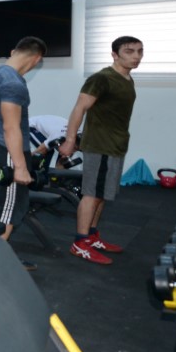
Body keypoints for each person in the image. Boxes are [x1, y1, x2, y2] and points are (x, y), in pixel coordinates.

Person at [60, 36, 144, 265]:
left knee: (102, 194)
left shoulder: (127, 79)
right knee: (92, 194)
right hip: (100, 145)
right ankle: (80, 243)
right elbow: (80, 108)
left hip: (115, 145)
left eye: (139, 51)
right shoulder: (101, 78)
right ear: (115, 55)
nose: (136, 56)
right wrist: (70, 140)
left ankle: (91, 235)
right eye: (129, 51)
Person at [0, 36, 46, 271]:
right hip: (7, 150)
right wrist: (20, 166)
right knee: (10, 209)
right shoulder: (13, 84)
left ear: (13, 51)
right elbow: (11, 127)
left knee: (3, 204)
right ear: (36, 59)